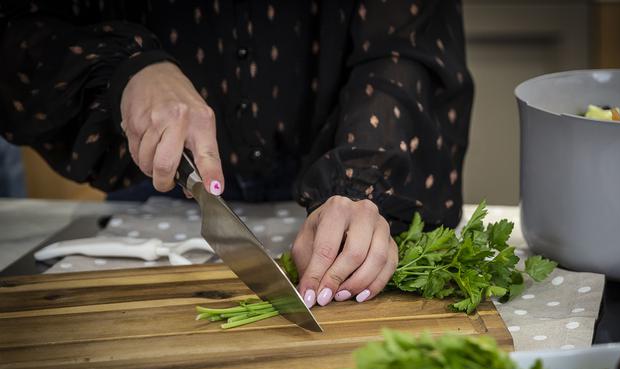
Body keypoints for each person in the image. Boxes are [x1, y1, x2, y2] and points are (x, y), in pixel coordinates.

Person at [0, 1, 473, 307]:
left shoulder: (355, 180)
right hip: (157, 173)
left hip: (336, 168)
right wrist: (127, 67)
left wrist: (359, 184)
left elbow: (403, 49)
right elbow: (20, 25)